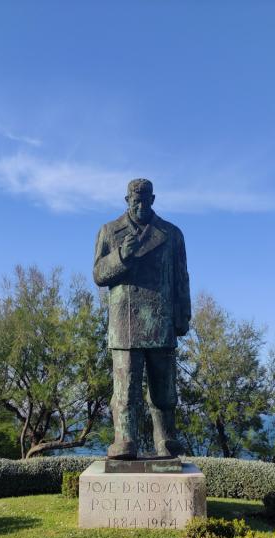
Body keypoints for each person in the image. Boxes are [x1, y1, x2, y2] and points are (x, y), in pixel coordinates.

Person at [93, 178, 191, 460]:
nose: (139, 205)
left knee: (164, 389)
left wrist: (183, 314)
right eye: (135, 201)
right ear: (126, 200)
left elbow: (181, 277)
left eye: (145, 200)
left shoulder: (171, 234)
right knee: (126, 390)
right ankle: (125, 440)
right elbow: (99, 275)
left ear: (153, 200)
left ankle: (166, 441)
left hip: (160, 322)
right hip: (125, 323)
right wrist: (122, 255)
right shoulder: (110, 231)